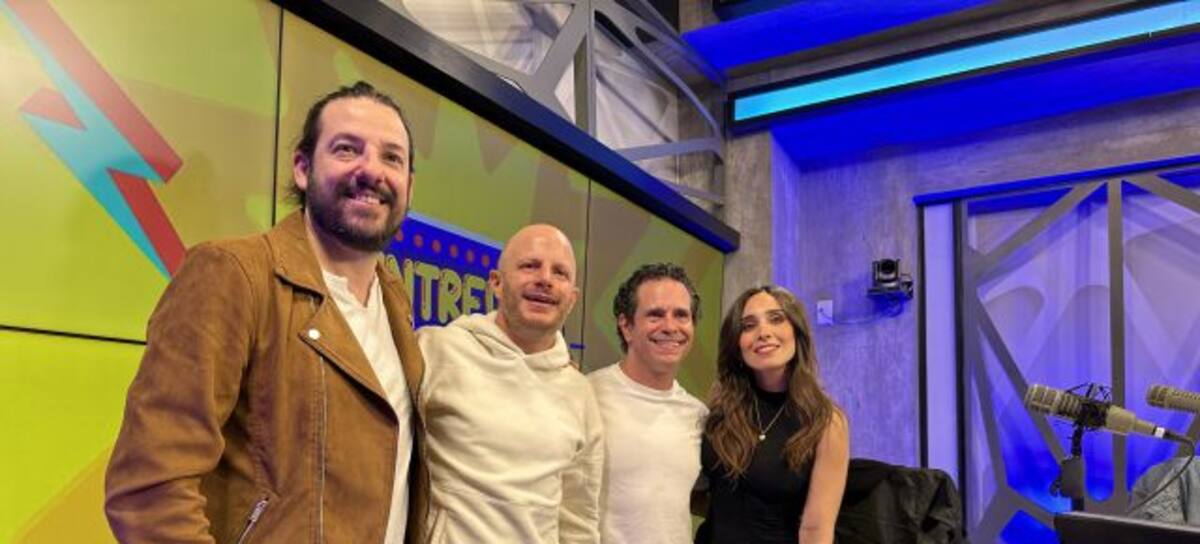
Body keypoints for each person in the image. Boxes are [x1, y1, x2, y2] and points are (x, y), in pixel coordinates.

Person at [105, 81, 427, 543]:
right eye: (346, 149)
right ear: (303, 168)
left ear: (409, 186)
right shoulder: (232, 273)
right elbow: (148, 488)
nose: (371, 170)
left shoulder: (394, 300)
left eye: (391, 157)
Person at [416, 224, 603, 543]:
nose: (545, 279)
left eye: (559, 273)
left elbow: (579, 520)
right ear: (496, 283)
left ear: (572, 299)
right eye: (530, 265)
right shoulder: (435, 350)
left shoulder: (580, 393)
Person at [697, 285, 849, 544]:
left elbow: (816, 530)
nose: (764, 333)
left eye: (776, 319)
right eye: (748, 326)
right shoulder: (717, 410)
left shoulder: (826, 421)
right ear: (737, 343)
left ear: (796, 332)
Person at [588, 263, 708, 543]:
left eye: (681, 315)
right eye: (655, 315)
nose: (670, 327)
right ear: (626, 326)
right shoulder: (588, 395)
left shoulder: (698, 415)